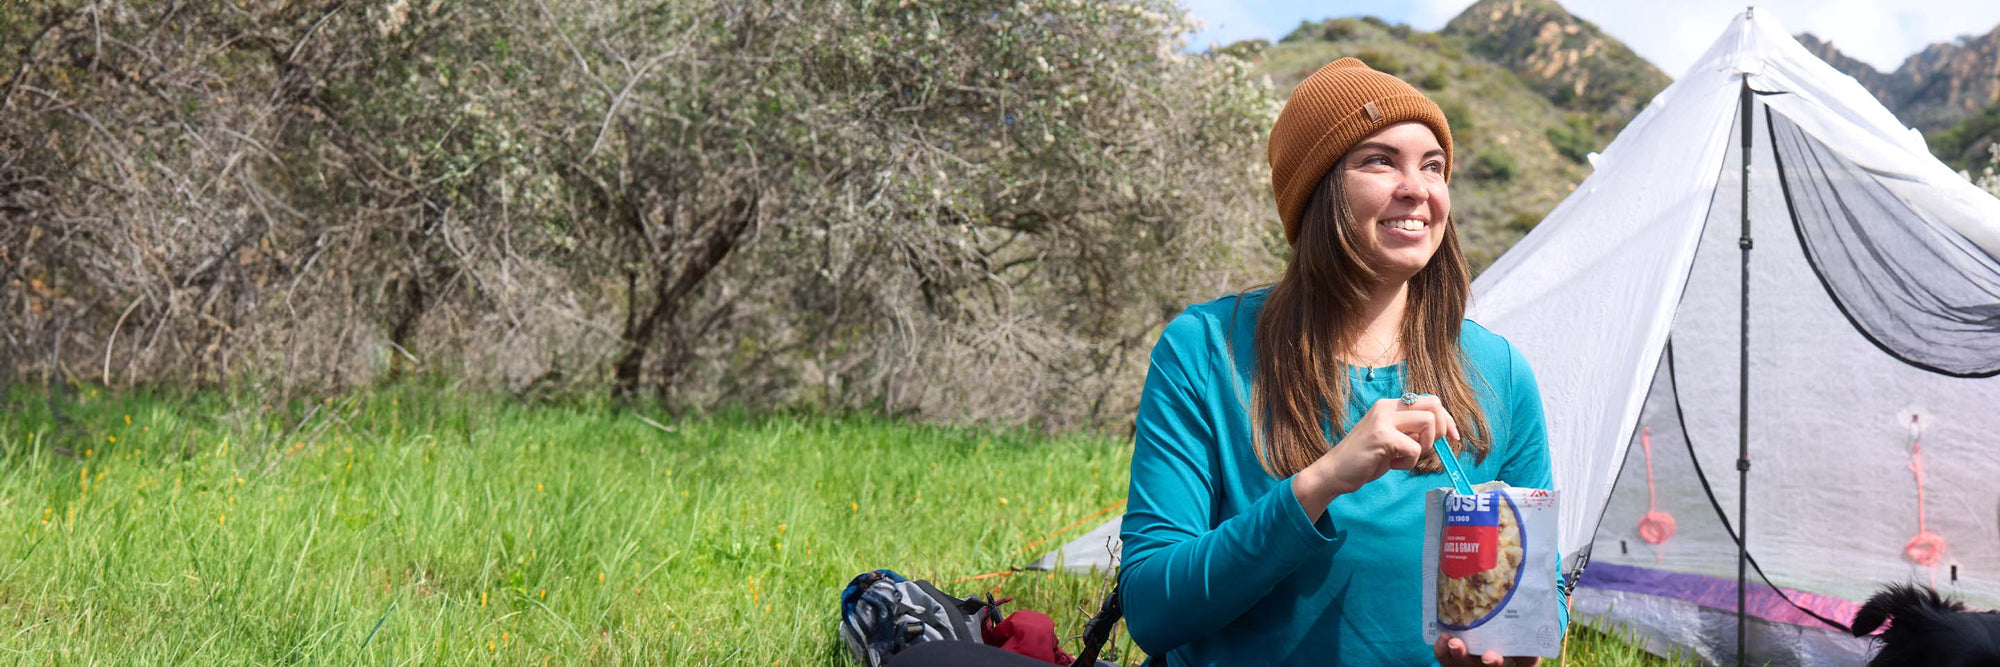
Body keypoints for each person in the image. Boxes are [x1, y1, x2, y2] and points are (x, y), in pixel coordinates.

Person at [1117, 57, 1566, 666]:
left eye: (1433, 166)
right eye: (1380, 161)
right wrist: (1322, 482)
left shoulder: (1498, 370)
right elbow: (1151, 609)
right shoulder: (1205, 348)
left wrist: (1523, 646)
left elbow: (1541, 585)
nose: (1418, 188)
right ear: (1317, 191)